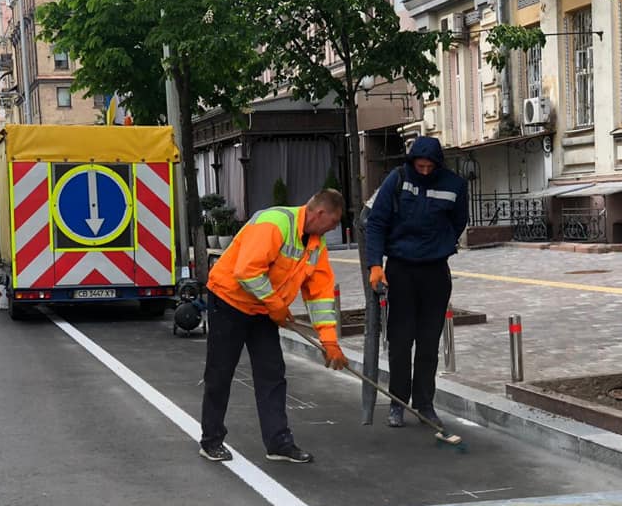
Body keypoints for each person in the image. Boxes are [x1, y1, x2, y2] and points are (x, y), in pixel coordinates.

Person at [199, 189, 349, 463]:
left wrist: (329, 340)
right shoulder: (274, 223)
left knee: (272, 374)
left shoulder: (316, 242)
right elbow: (246, 271)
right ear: (319, 213)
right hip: (228, 301)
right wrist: (275, 304)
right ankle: (211, 440)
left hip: (263, 309)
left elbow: (320, 293)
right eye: (334, 222)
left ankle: (278, 442)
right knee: (220, 373)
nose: (335, 228)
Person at [365, 136, 468, 429]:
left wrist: (440, 243)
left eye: (429, 167)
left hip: (435, 272)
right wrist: (375, 265)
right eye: (419, 166)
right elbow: (376, 223)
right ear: (412, 163)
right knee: (400, 341)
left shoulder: (455, 185)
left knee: (427, 343)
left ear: (438, 164)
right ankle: (397, 403)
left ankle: (425, 404)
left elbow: (459, 221)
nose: (424, 171)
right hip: (401, 270)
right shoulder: (397, 180)